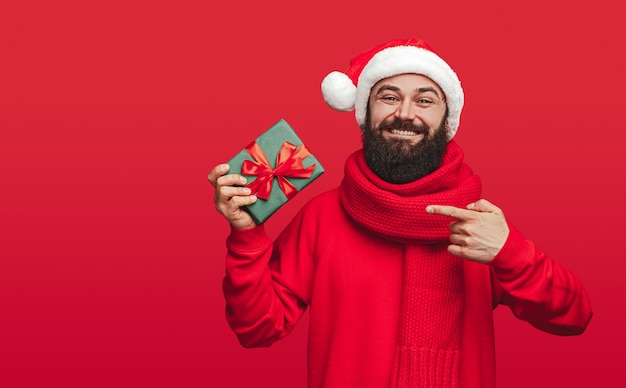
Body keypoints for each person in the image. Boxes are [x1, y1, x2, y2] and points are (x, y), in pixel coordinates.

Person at [207, 38, 593, 388]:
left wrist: (510, 251)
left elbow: (573, 316)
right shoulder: (323, 216)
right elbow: (256, 329)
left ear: (447, 120)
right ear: (366, 112)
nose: (405, 113)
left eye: (425, 100)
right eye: (388, 97)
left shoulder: (477, 224)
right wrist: (246, 235)